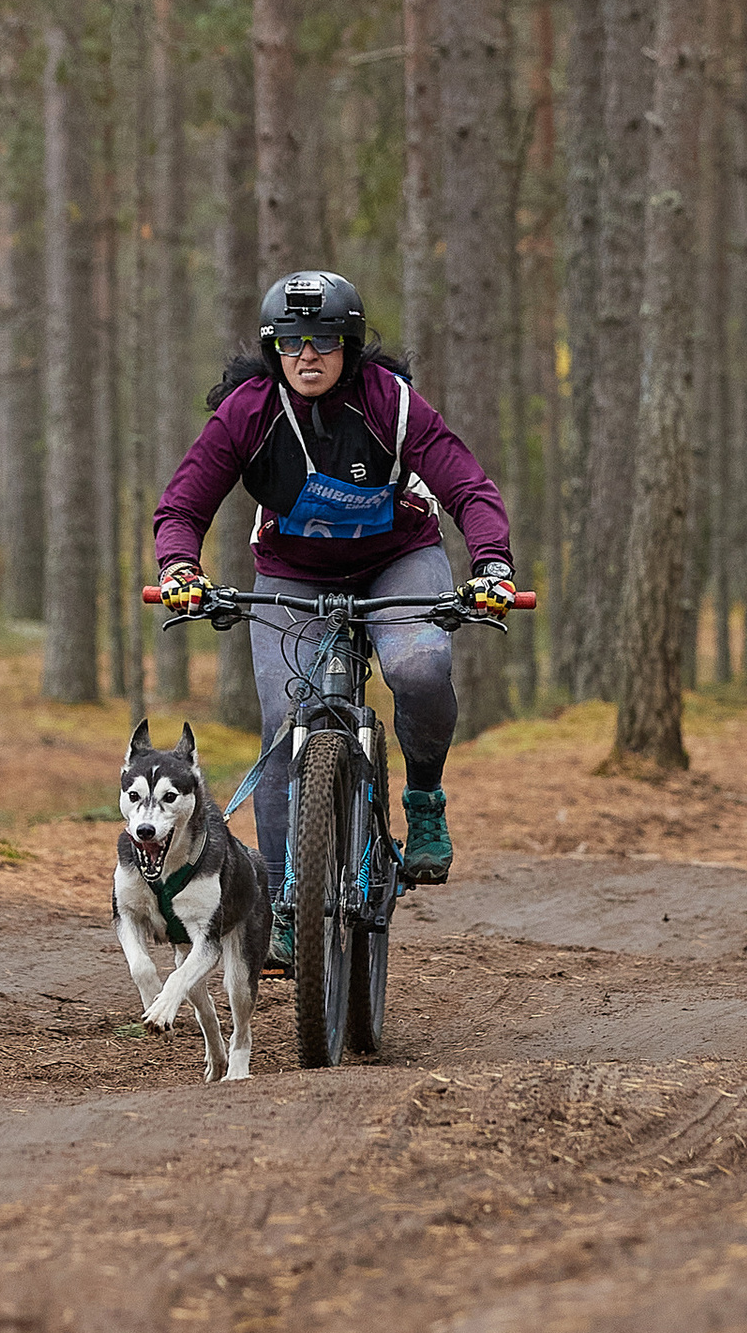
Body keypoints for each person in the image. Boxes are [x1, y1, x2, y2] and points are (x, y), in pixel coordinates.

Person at [151, 269, 517, 971]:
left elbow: (467, 485)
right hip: (293, 574)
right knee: (287, 722)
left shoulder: (391, 404)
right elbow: (183, 507)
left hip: (398, 562)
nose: (307, 356)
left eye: (323, 341)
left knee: (419, 664)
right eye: (290, 343)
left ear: (349, 346)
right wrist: (179, 570)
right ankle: (288, 906)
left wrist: (492, 566)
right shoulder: (249, 412)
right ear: (273, 352)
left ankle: (426, 795)